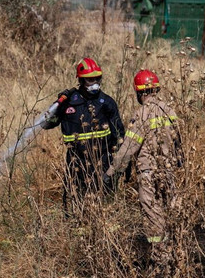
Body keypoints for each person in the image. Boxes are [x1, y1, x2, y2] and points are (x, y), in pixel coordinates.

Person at [104, 69, 183, 244]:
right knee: (171, 209)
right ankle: (175, 246)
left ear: (139, 92)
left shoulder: (141, 114)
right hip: (168, 170)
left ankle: (158, 251)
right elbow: (178, 142)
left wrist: (111, 173)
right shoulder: (170, 111)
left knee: (153, 214)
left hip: (148, 173)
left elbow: (128, 148)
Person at [41, 57, 125, 214]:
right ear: (80, 80)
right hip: (76, 161)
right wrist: (57, 107)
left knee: (104, 202)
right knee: (74, 201)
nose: (95, 83)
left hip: (102, 160)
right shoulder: (68, 102)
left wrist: (119, 164)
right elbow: (46, 124)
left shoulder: (106, 102)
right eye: (90, 80)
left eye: (97, 78)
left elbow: (119, 135)